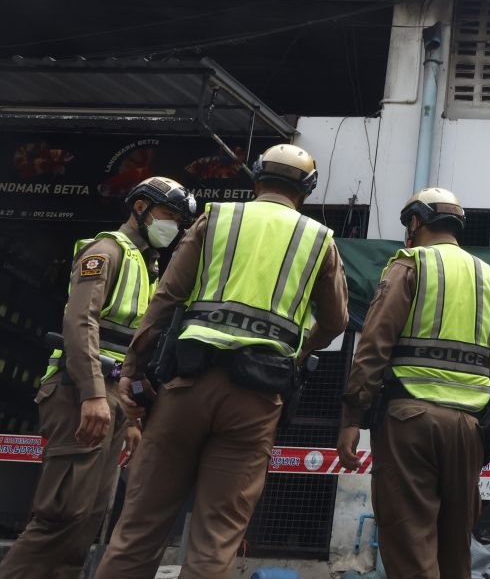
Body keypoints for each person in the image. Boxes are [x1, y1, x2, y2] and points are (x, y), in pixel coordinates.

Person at [95, 143, 349, 579]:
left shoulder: (218, 218)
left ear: (255, 179)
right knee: (216, 541)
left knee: (138, 530)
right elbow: (336, 321)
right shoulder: (318, 239)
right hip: (255, 400)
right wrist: (298, 352)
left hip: (186, 387)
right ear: (305, 191)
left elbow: (167, 298)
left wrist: (133, 369)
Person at [0, 176, 196, 579]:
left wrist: (134, 415)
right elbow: (79, 322)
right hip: (80, 392)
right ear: (140, 208)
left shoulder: (148, 266)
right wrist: (92, 394)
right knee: (61, 513)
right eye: (167, 215)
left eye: (178, 220)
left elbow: (133, 349)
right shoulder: (106, 252)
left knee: (89, 518)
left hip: (115, 397)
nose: (172, 226)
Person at [337, 187, 490, 579]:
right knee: (455, 552)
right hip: (469, 429)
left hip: (409, 421)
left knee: (411, 547)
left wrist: (351, 417)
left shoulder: (409, 264)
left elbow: (374, 346)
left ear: (415, 222)